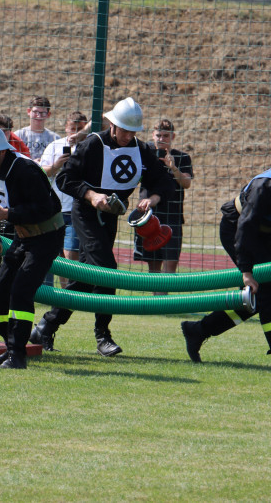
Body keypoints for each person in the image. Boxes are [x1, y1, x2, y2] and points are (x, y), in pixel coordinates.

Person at [31, 97, 174, 357]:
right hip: (86, 214)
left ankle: (45, 326)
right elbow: (65, 178)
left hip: (110, 217)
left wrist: (150, 199)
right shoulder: (92, 144)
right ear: (112, 124)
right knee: (107, 269)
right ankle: (103, 336)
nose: (128, 136)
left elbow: (163, 181)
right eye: (124, 129)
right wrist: (92, 196)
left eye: (133, 131)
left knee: (86, 281)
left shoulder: (142, 149)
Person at [181, 144, 271, 371]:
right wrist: (246, 271)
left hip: (264, 237)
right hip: (236, 229)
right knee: (270, 295)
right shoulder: (265, 187)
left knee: (256, 300)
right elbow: (245, 228)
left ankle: (198, 331)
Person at [0, 124, 64, 370]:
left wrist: (7, 214)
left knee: (20, 292)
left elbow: (45, 209)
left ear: (2, 151)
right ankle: (8, 348)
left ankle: (18, 357)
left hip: (46, 237)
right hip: (24, 237)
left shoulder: (25, 170)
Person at [133, 119, 194, 287]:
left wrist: (173, 167)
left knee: (170, 262)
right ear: (152, 135)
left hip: (173, 214)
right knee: (153, 263)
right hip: (148, 215)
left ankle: (164, 304)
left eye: (166, 136)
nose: (161, 139)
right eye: (158, 135)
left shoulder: (182, 157)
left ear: (172, 136)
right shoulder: (145, 153)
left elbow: (186, 183)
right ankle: (156, 304)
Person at [38, 111, 90, 286]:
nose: (75, 132)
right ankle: (62, 295)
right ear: (66, 128)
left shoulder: (91, 146)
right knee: (55, 254)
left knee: (71, 254)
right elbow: (41, 174)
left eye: (80, 129)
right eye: (72, 128)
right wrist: (57, 165)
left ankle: (69, 294)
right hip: (54, 210)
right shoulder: (54, 146)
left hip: (76, 209)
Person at [14, 96, 58, 161]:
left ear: (48, 114)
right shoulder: (18, 136)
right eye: (35, 112)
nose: (39, 116)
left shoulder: (55, 138)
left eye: (43, 113)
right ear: (29, 111)